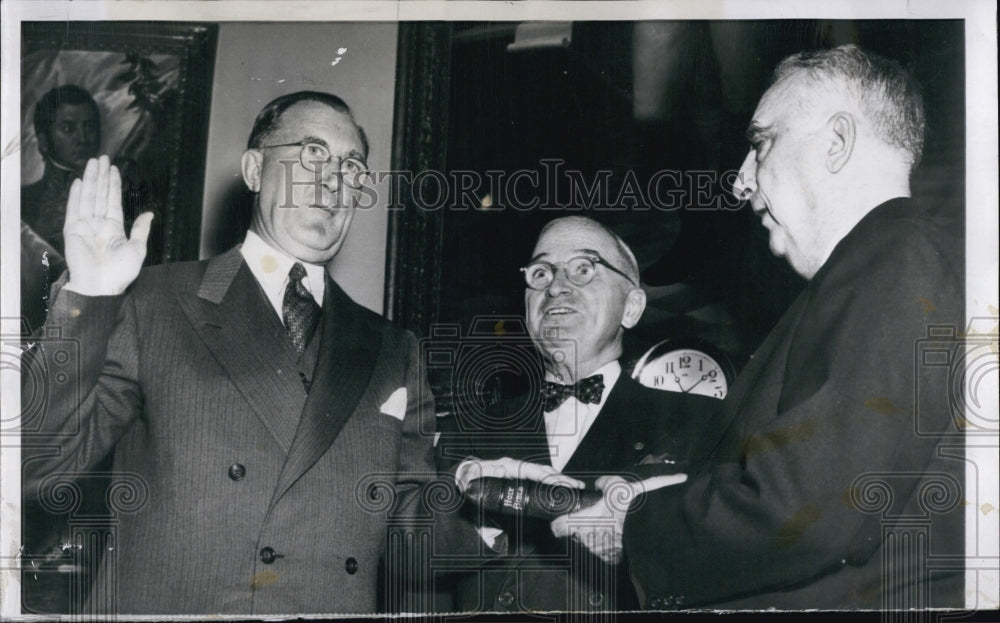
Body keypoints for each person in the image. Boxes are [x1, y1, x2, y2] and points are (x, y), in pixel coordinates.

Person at [552, 44, 965, 609]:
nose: (740, 181)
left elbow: (807, 509)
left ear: (837, 142)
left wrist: (637, 527)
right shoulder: (882, 267)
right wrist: (658, 495)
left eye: (762, 143)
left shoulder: (895, 259)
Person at [22, 91, 439, 614]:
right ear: (254, 170)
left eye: (352, 167)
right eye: (313, 154)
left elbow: (415, 533)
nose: (334, 180)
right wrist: (89, 299)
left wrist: (496, 503)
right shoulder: (155, 302)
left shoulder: (393, 348)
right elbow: (35, 463)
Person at [437, 216, 716, 612]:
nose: (555, 286)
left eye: (584, 268)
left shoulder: (703, 424)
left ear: (632, 307)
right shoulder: (465, 431)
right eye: (541, 272)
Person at [21, 85, 100, 332]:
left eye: (89, 127)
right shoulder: (21, 203)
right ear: (44, 141)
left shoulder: (116, 201)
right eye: (68, 128)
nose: (82, 138)